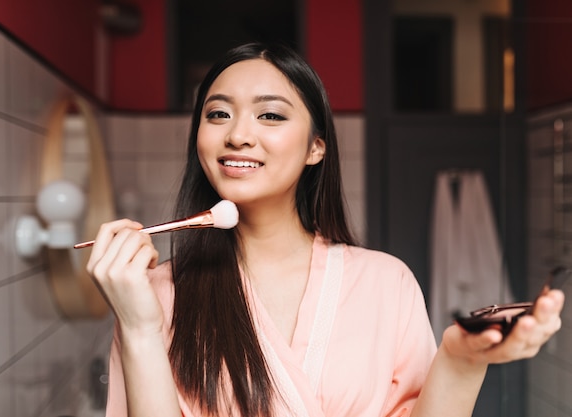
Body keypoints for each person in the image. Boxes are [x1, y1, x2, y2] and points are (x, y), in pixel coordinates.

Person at [86, 42, 564, 417]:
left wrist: (461, 360)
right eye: (218, 113)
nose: (237, 134)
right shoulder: (153, 296)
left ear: (316, 147)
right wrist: (139, 327)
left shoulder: (386, 283)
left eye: (270, 114)